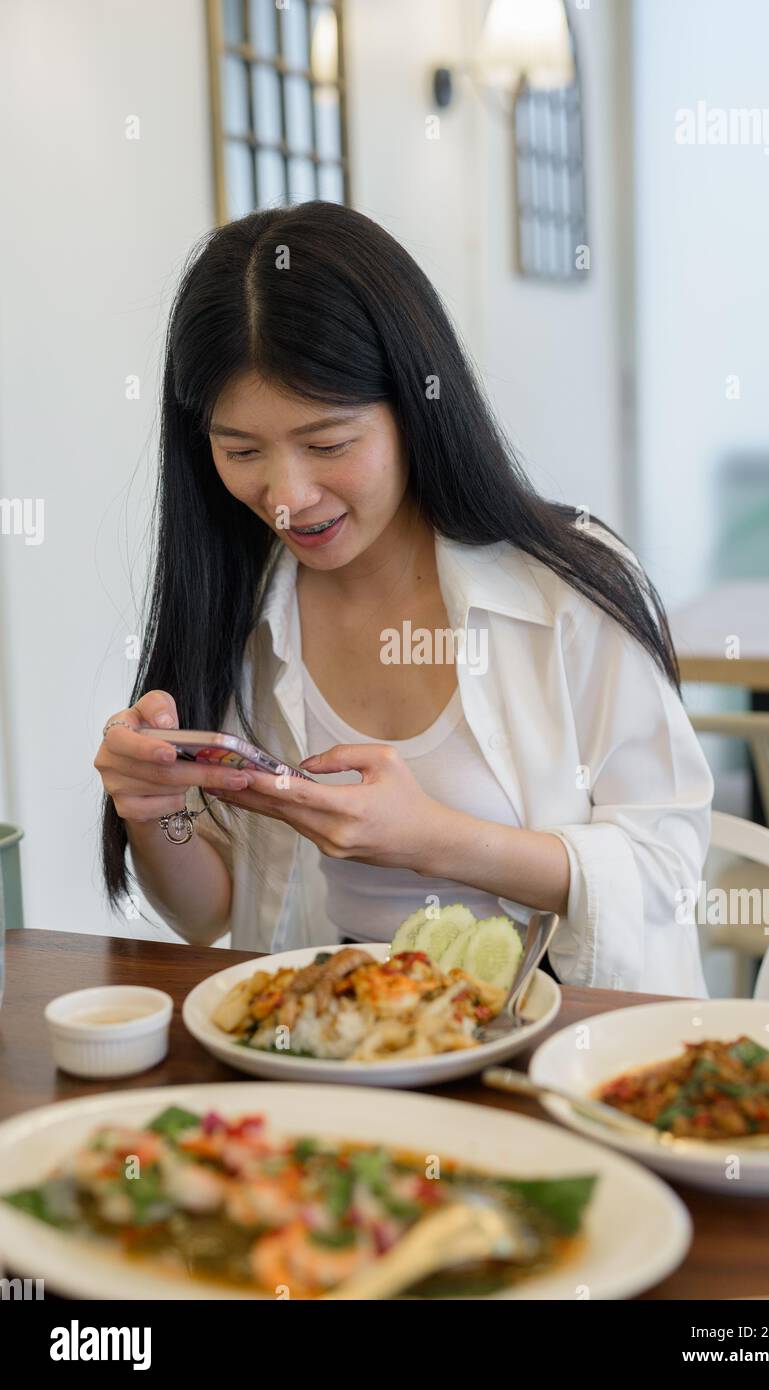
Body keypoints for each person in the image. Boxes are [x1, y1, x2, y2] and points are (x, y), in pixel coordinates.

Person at [95, 201, 714, 995]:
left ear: (417, 409)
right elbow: (207, 912)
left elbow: (666, 868)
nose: (287, 495)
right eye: (240, 449)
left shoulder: (567, 586)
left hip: (555, 1046)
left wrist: (433, 839)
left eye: (328, 444)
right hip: (331, 1044)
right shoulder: (236, 605)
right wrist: (157, 811)